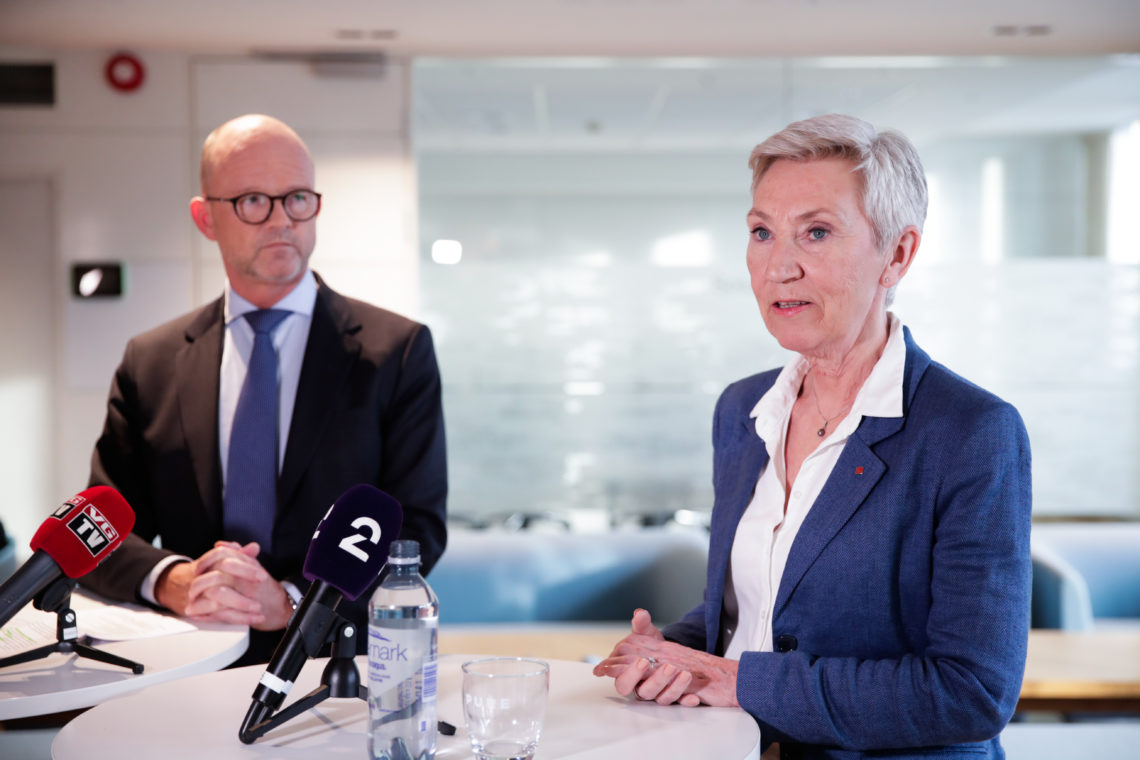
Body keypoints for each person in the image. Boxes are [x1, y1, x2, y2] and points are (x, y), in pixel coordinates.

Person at [593, 114, 1031, 758]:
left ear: (897, 254)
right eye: (761, 232)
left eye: (817, 233)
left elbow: (972, 691)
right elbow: (756, 613)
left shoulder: (970, 431)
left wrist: (742, 683)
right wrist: (672, 653)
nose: (779, 267)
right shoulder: (744, 409)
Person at [80, 114, 447, 665]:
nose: (282, 220)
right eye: (253, 200)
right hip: (186, 662)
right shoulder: (150, 362)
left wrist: (294, 601)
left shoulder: (397, 352)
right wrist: (174, 580)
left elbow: (416, 529)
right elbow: (99, 528)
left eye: (297, 198)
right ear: (205, 218)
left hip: (338, 667)